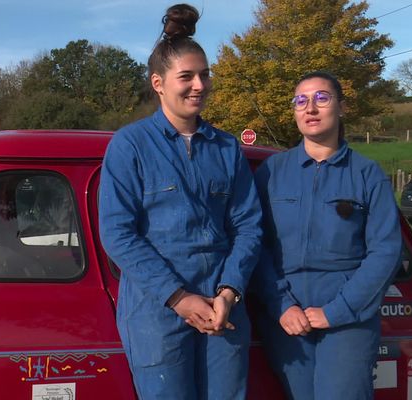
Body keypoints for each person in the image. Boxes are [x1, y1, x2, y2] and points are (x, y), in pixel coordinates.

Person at [98, 4, 262, 399]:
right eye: (186, 76)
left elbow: (248, 225)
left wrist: (229, 291)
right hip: (158, 311)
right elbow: (118, 233)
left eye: (204, 75)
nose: (199, 85)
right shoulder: (130, 145)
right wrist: (178, 297)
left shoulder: (226, 147)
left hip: (224, 309)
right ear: (158, 83)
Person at [251, 71, 402, 400]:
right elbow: (254, 245)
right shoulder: (271, 173)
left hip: (348, 320)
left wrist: (338, 310)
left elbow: (386, 251)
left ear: (341, 107)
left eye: (322, 98)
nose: (310, 108)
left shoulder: (367, 175)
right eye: (301, 101)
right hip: (287, 319)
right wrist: (281, 305)